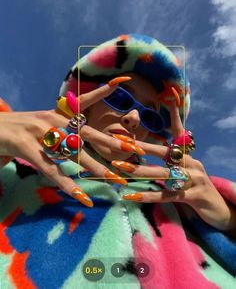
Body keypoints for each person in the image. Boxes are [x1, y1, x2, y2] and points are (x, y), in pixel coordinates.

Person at [0, 34, 235, 289]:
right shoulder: (18, 165)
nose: (133, 117)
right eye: (120, 98)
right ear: (85, 105)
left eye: (150, 117)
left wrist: (228, 220)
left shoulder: (184, 192)